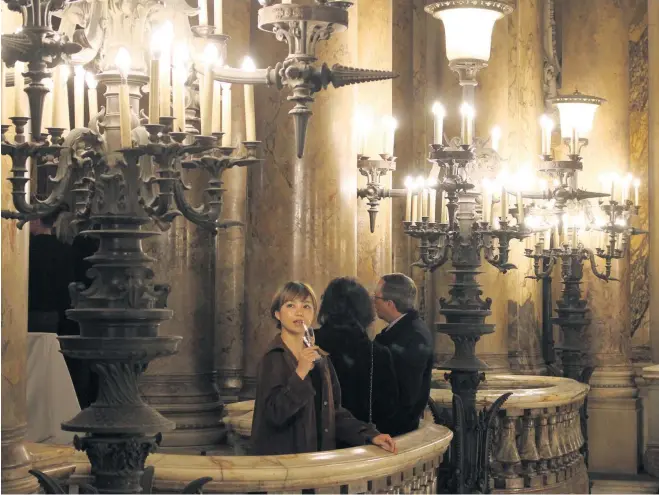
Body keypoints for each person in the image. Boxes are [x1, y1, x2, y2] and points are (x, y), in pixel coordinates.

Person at [250, 281, 397, 456]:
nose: (299, 312)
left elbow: (333, 413)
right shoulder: (273, 357)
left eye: (306, 306)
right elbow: (274, 414)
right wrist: (300, 373)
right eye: (290, 305)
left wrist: (370, 435)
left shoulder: (320, 358)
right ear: (278, 314)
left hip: (318, 462)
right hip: (287, 465)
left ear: (313, 313)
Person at [314, 277, 399, 436]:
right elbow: (388, 409)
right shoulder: (378, 354)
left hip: (317, 442)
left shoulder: (309, 343)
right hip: (363, 443)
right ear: (365, 309)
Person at [373, 273, 433, 437]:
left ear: (390, 303)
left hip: (395, 431)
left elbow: (407, 394)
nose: (373, 302)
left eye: (376, 297)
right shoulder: (404, 330)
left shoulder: (413, 336)